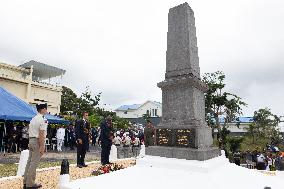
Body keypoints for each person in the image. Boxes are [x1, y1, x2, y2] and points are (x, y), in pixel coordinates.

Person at [23, 103, 48, 189]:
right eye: (46, 109)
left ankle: (26, 182)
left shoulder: (33, 118)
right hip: (37, 141)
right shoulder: (42, 119)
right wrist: (42, 146)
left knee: (29, 162)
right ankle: (30, 184)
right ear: (43, 109)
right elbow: (41, 134)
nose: (46, 110)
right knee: (34, 163)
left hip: (31, 140)